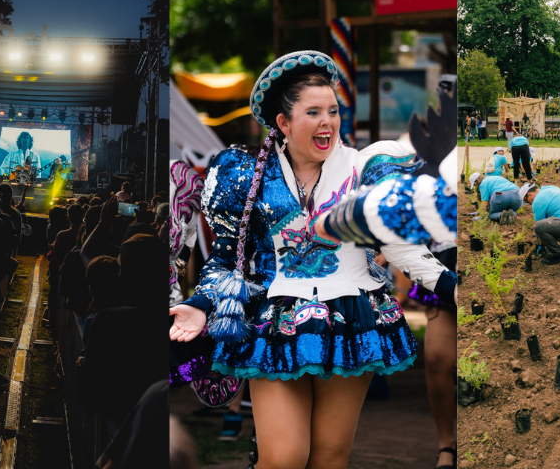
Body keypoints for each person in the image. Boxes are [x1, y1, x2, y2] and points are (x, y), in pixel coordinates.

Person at [169, 50, 453, 469]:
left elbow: (400, 246)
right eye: (314, 112)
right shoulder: (248, 176)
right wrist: (199, 304)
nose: (327, 122)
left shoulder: (366, 168)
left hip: (353, 318)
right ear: (283, 123)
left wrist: (450, 285)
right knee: (283, 458)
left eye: (333, 111)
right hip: (276, 322)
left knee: (329, 459)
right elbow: (230, 259)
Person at [521, 182, 560, 264]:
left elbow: (540, 225)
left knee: (539, 227)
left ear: (529, 194)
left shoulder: (537, 201)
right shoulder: (549, 188)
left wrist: (541, 245)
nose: (529, 204)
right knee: (549, 224)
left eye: (527, 201)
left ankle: (558, 254)